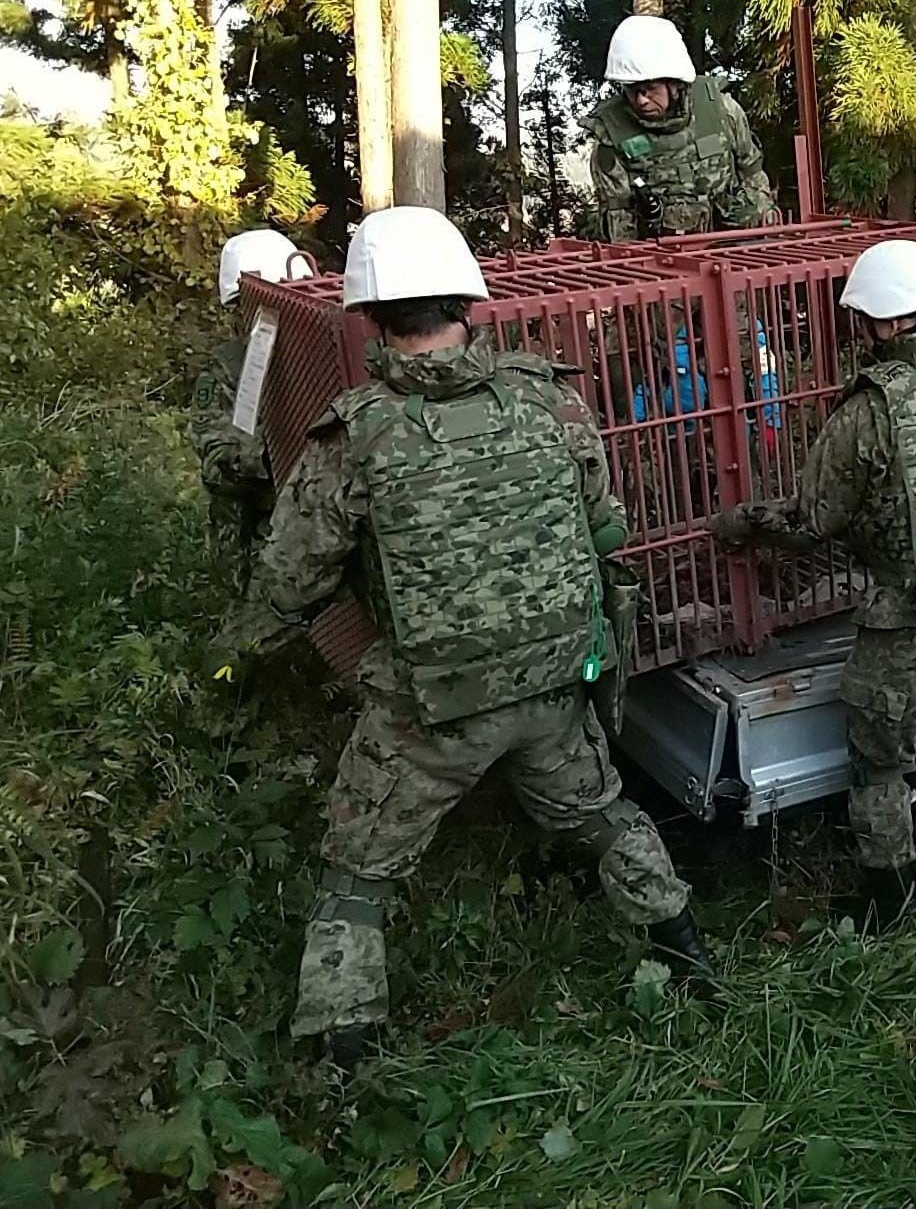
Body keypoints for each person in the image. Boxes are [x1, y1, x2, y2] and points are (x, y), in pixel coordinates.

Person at [217, 206, 710, 1066]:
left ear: (369, 314)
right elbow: (606, 525)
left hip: (432, 709)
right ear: (467, 300)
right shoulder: (548, 398)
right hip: (555, 683)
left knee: (358, 868)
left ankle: (343, 1064)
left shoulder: (356, 433)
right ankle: (691, 959)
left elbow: (289, 578)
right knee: (602, 816)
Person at [712, 239, 916, 927]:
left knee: (880, 768)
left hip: (911, 623)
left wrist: (739, 523)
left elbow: (812, 519)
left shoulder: (872, 408)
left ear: (886, 322)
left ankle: (887, 904)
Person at [583, 14, 780, 241]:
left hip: (736, 245)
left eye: (650, 89)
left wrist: (763, 231)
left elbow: (753, 175)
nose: (641, 100)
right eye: (631, 90)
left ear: (674, 84)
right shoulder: (612, 133)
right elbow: (620, 220)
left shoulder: (721, 110)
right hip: (663, 254)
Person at [190, 229, 312, 596]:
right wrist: (274, 456)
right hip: (258, 545)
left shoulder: (323, 356)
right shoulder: (227, 368)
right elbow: (216, 461)